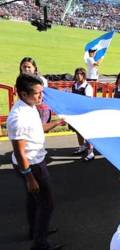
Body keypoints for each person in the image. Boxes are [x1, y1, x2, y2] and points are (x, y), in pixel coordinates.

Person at [7, 73, 65, 250]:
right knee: (47, 203)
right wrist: (29, 177)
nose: (41, 96)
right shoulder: (18, 118)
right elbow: (20, 152)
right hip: (32, 166)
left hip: (33, 162)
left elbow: (37, 129)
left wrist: (56, 123)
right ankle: (40, 243)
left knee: (34, 200)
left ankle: (36, 230)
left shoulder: (30, 105)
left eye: (41, 92)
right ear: (23, 94)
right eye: (37, 93)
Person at [71, 67, 95, 161]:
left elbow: (88, 102)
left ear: (84, 75)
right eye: (77, 74)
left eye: (80, 74)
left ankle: (91, 152)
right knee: (78, 131)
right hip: (75, 112)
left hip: (84, 113)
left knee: (87, 133)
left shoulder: (87, 87)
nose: (78, 76)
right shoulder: (74, 85)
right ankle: (82, 146)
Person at [19, 57, 50, 124]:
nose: (26, 69)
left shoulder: (41, 80)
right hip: (25, 109)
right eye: (24, 67)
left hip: (40, 110)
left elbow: (41, 97)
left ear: (34, 68)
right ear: (21, 68)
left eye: (29, 67)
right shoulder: (20, 81)